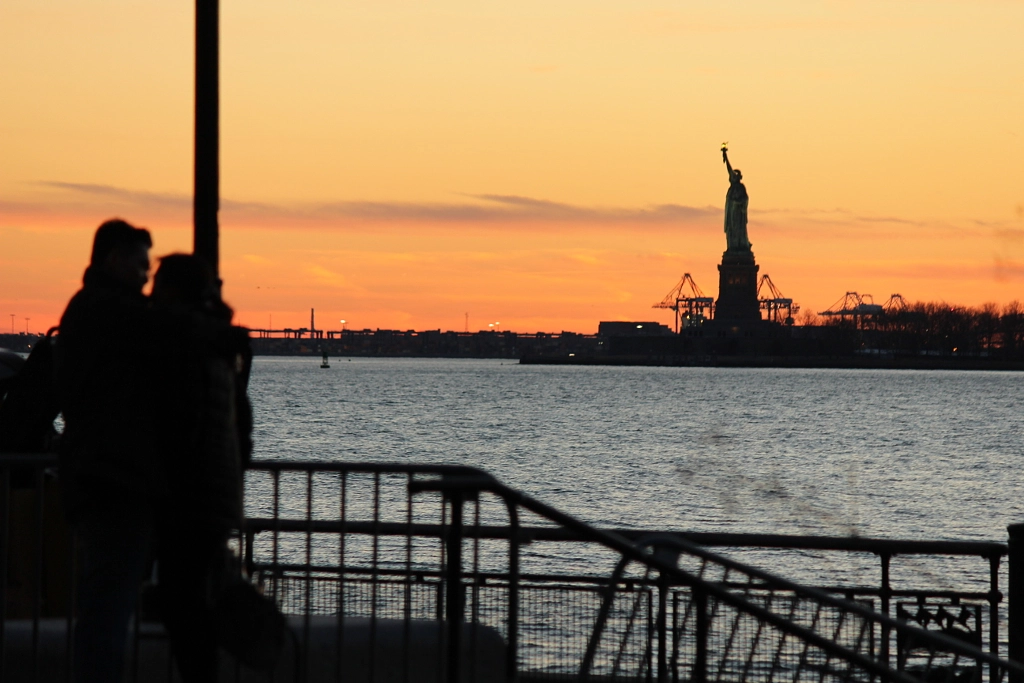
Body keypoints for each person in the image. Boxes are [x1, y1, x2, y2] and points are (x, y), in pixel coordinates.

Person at [55, 219, 159, 683]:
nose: (146, 276)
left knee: (105, 601)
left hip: (98, 475)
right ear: (114, 259)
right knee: (109, 607)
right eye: (140, 265)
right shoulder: (113, 312)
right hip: (115, 478)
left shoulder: (88, 309)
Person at [148, 253, 252, 683]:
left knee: (183, 602)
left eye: (158, 281)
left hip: (188, 495)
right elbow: (240, 424)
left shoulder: (183, 345)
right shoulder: (218, 345)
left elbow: (180, 425)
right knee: (194, 598)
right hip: (215, 491)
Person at [722, 147, 752, 252]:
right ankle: (732, 245)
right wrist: (726, 157)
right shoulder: (732, 188)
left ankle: (740, 244)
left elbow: (745, 199)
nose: (732, 177)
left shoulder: (741, 187)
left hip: (738, 214)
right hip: (731, 213)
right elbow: (729, 170)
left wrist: (738, 202)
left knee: (738, 229)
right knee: (731, 229)